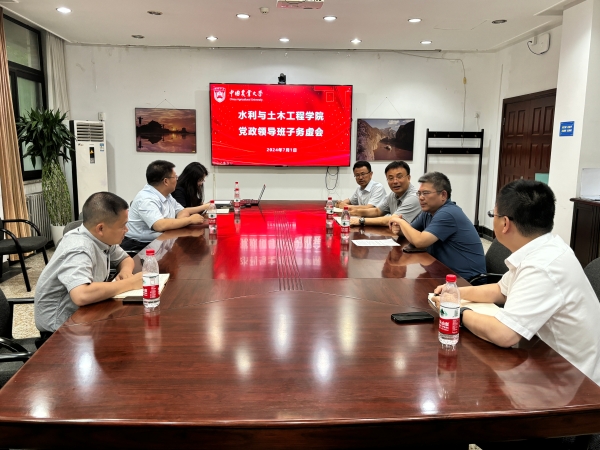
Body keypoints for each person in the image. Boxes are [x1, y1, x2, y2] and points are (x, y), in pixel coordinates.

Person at [431, 179, 600, 386]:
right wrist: (456, 293)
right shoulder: (545, 247)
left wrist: (456, 312)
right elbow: (501, 290)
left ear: (505, 223)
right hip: (548, 360)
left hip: (573, 382)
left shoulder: (542, 266)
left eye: (493, 215)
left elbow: (504, 334)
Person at [34, 192, 143, 334]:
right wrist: (130, 283)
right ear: (101, 228)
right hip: (59, 329)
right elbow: (81, 294)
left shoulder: (101, 238)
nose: (126, 230)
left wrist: (125, 272)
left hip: (87, 314)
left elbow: (125, 259)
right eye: (123, 225)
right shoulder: (79, 247)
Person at [389, 171, 485, 280]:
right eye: (419, 193)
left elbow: (420, 241)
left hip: (466, 280)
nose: (421, 198)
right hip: (444, 273)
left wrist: (401, 222)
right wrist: (399, 229)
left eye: (425, 193)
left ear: (443, 195)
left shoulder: (448, 213)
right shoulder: (428, 212)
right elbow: (410, 232)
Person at [121, 160, 205, 254]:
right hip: (140, 246)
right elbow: (160, 225)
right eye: (175, 177)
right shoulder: (146, 199)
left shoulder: (166, 195)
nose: (177, 180)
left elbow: (182, 211)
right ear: (166, 181)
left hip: (161, 242)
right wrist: (189, 220)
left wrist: (178, 221)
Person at [349, 160, 420, 228]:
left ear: (408, 178)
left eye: (399, 177)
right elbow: (377, 211)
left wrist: (361, 220)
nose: (395, 181)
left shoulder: (414, 197)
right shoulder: (392, 195)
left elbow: (393, 220)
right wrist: (353, 212)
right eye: (390, 178)